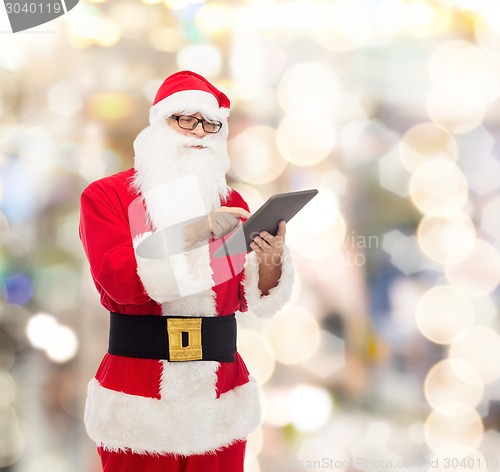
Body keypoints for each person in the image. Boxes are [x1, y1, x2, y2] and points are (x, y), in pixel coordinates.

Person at [79, 70, 294, 472]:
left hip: (219, 396)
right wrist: (193, 233)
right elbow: (120, 281)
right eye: (186, 119)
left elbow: (244, 296)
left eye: (210, 124)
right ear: (160, 124)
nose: (199, 133)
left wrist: (270, 263)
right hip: (139, 395)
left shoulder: (231, 201)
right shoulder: (106, 197)